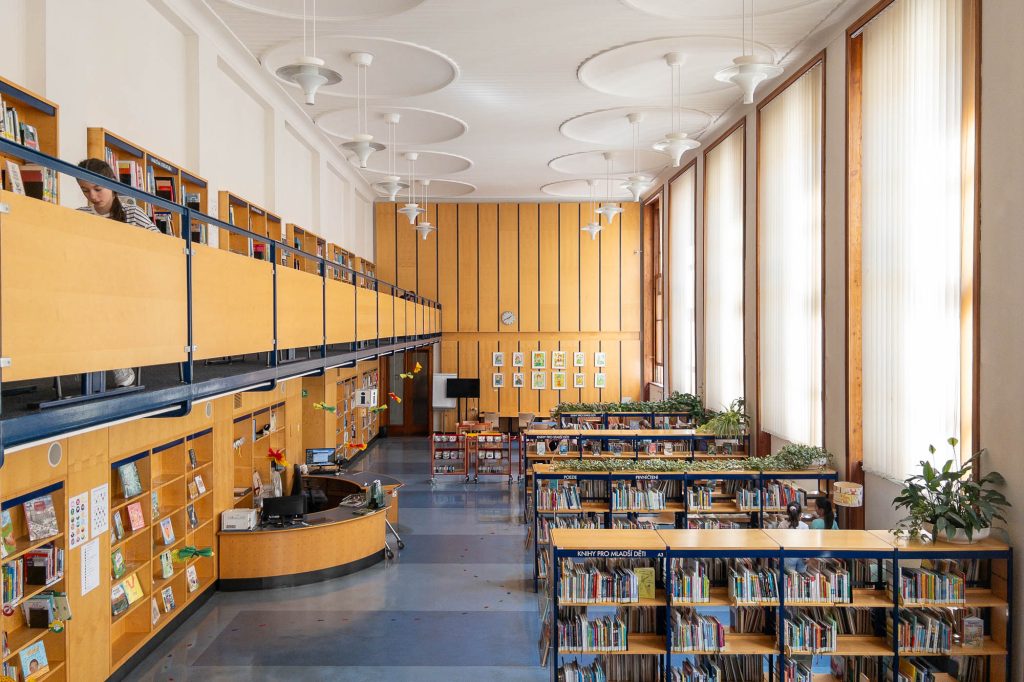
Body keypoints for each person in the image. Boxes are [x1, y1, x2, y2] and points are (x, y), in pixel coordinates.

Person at [76, 158, 159, 387]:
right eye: (85, 190)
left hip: (128, 288)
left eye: (97, 189)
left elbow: (163, 247)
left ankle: (114, 360)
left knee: (102, 300)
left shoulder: (132, 213)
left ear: (111, 184)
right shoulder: (79, 215)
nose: (92, 196)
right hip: (90, 285)